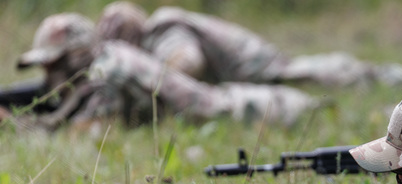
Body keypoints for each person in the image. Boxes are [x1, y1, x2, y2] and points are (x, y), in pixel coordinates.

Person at [9, 12, 319, 133]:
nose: (50, 77)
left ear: (75, 57)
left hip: (260, 111)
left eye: (53, 65)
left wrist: (14, 125)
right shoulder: (108, 60)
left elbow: (85, 137)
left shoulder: (108, 73)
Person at [96, 2, 402, 88]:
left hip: (252, 66)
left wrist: (156, 78)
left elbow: (188, 62)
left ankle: (386, 76)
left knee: (313, 76)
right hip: (246, 67)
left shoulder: (161, 29)